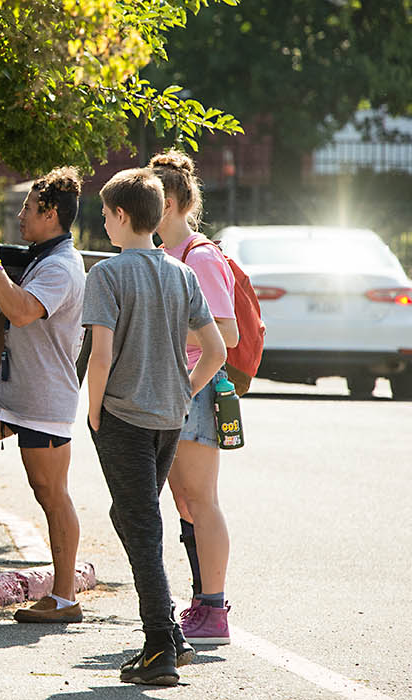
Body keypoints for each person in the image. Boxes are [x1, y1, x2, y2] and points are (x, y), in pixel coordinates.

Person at [82, 168, 225, 686]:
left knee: (141, 524)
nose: (102, 222)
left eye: (104, 214)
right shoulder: (182, 273)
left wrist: (94, 410)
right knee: (133, 513)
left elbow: (101, 355)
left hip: (123, 414)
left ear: (121, 217)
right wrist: (185, 391)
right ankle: (169, 636)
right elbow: (216, 350)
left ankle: (159, 644)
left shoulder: (106, 275)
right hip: (169, 416)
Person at [0, 168, 87, 622]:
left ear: (50, 214)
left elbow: (23, 312)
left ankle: (64, 599)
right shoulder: (42, 258)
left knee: (51, 494)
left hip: (44, 402)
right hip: (10, 393)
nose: (20, 216)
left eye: (27, 209)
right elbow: (7, 322)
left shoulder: (62, 265)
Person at [151, 150, 240, 645]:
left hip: (195, 390)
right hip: (174, 391)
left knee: (201, 502)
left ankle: (214, 610)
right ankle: (201, 604)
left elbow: (224, 334)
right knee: (186, 502)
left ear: (168, 202)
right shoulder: (167, 254)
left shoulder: (199, 256)